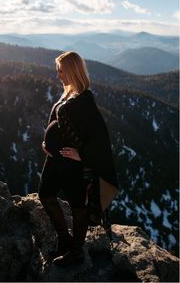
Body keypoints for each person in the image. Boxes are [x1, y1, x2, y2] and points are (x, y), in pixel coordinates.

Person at [38, 51, 119, 267]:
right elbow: (56, 123)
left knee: (77, 206)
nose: (58, 75)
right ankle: (65, 239)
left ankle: (76, 252)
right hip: (55, 160)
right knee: (45, 195)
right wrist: (46, 143)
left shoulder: (85, 99)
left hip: (73, 164)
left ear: (73, 71)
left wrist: (81, 154)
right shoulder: (67, 94)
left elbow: (100, 138)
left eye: (61, 71)